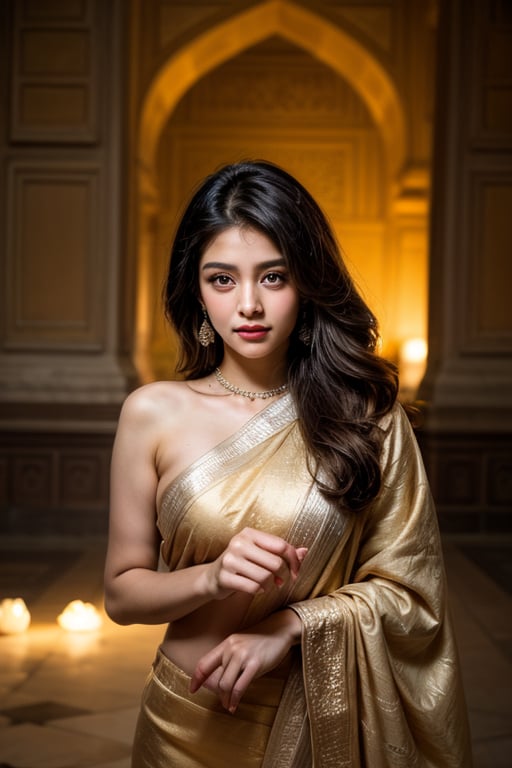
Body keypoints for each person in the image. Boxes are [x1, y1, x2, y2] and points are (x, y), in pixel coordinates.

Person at [104, 159, 472, 767]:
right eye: (222, 280)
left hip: (319, 724)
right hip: (182, 727)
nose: (248, 304)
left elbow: (413, 598)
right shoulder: (153, 413)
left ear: (306, 283)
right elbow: (121, 594)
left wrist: (291, 625)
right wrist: (212, 576)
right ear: (194, 289)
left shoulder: (369, 417)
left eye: (273, 277)